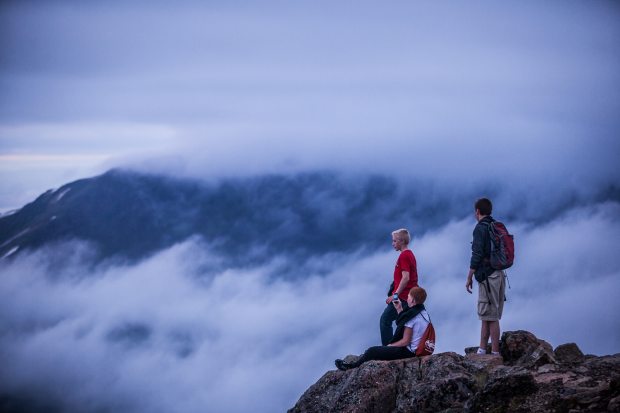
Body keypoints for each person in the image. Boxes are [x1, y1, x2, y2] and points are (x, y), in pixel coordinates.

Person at [335, 287, 430, 370]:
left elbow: (405, 341)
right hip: (418, 348)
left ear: (412, 300)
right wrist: (399, 309)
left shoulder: (412, 317)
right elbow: (406, 322)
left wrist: (388, 347)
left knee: (372, 351)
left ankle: (351, 367)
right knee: (376, 351)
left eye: (408, 296)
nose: (407, 298)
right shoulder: (422, 312)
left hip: (409, 352)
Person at [465, 197, 507, 355]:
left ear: (477, 211)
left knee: (490, 314)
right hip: (499, 273)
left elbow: (477, 255)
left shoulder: (480, 228)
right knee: (487, 314)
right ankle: (482, 349)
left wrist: (469, 276)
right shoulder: (494, 225)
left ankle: (495, 352)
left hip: (487, 276)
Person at [379, 228, 418, 346]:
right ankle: (399, 347)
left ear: (401, 241)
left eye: (394, 241)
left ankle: (387, 350)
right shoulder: (409, 254)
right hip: (408, 296)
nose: (392, 244)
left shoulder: (404, 256)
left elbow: (405, 278)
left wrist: (395, 296)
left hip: (403, 297)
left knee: (385, 321)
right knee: (402, 323)